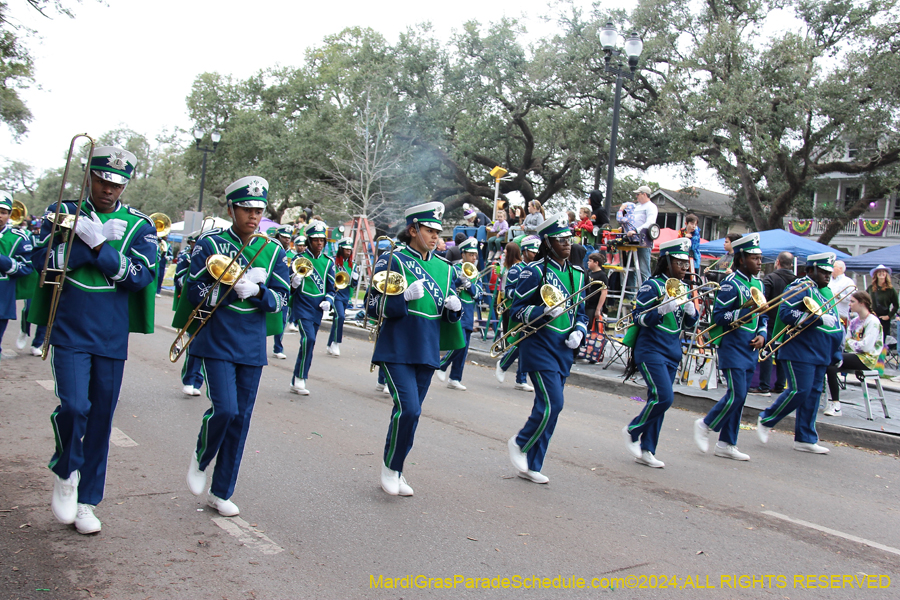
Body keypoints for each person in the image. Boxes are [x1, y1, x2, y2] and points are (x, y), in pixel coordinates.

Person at [31, 146, 157, 534]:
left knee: (101, 419)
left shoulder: (140, 225)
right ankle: (67, 469)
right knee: (73, 405)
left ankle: (88, 500)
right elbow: (42, 263)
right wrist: (81, 245)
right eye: (103, 180)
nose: (108, 190)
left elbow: (139, 278)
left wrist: (101, 247)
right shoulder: (62, 213)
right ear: (90, 176)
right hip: (69, 327)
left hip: (110, 333)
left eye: (117, 183)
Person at [183, 176, 290, 516]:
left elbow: (282, 298)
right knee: (225, 409)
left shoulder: (273, 250)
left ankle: (221, 491)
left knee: (241, 419)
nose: (253, 216)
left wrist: (259, 292)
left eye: (258, 210)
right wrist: (227, 286)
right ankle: (201, 457)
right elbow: (192, 292)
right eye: (246, 208)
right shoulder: (210, 244)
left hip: (250, 343)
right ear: (231, 208)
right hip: (215, 338)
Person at [368, 201, 463, 496]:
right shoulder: (393, 259)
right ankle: (389, 467)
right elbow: (372, 306)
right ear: (412, 230)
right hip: (397, 347)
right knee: (407, 409)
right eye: (429, 230)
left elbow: (446, 313)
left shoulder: (445, 268)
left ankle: (397, 468)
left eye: (438, 231)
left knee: (415, 412)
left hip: (427, 349)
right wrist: (402, 299)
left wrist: (455, 309)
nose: (436, 236)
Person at [506, 214, 588, 484]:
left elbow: (582, 314)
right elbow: (515, 311)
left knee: (550, 407)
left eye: (569, 239)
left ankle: (533, 464)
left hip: (564, 348)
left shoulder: (577, 273)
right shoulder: (535, 270)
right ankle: (520, 442)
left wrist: (580, 330)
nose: (566, 243)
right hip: (539, 346)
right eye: (560, 239)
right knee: (554, 403)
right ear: (547, 242)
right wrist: (542, 311)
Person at [622, 238, 699, 468]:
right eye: (679, 263)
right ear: (666, 262)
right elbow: (638, 318)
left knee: (660, 402)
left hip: (672, 351)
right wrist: (660, 310)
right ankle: (633, 429)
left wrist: (691, 313)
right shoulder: (652, 285)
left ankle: (648, 449)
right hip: (651, 349)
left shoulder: (683, 287)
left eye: (686, 264)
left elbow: (683, 325)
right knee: (664, 397)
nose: (684, 268)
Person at [757, 252, 843, 454]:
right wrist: (818, 319)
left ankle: (805, 438)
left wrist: (837, 353)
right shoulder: (799, 286)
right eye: (822, 272)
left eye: (829, 273)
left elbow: (837, 326)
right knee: (800, 390)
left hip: (820, 352)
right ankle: (767, 418)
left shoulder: (826, 292)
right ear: (810, 270)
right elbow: (787, 313)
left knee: (813, 394)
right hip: (799, 350)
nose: (827, 276)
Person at [694, 233, 767, 461]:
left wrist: (763, 334)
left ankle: (727, 443)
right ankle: (705, 424)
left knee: (741, 397)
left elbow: (763, 316)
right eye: (755, 258)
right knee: (737, 394)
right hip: (733, 345)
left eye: (760, 257)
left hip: (750, 347)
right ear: (742, 258)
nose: (759, 262)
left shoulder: (758, 283)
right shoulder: (730, 283)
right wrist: (745, 312)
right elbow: (719, 316)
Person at [289, 221, 335, 396]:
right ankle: (300, 378)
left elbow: (332, 288)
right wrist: (293, 282)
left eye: (322, 240)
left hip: (317, 309)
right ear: (309, 241)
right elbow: (286, 285)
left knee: (311, 342)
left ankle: (297, 378)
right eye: (315, 240)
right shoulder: (298, 259)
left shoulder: (328, 262)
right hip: (301, 306)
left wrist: (328, 301)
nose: (319, 243)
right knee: (308, 339)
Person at [824, 291, 883, 417]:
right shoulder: (855, 321)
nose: (849, 304)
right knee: (830, 365)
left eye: (852, 301)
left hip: (867, 358)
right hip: (855, 355)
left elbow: (866, 346)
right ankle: (835, 403)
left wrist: (853, 344)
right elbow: (846, 342)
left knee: (832, 359)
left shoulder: (873, 321)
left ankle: (836, 405)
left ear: (862, 303)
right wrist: (855, 344)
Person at [435, 237, 483, 389]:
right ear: (463, 255)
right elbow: (447, 289)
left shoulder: (476, 273)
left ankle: (455, 378)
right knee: (459, 344)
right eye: (470, 255)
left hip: (469, 313)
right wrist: (458, 282)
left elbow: (479, 295)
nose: (474, 258)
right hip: (457, 312)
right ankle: (442, 364)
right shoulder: (454, 270)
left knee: (465, 348)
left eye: (475, 255)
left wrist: (470, 286)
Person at [496, 236, 540, 391]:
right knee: (520, 342)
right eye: (532, 251)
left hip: (533, 310)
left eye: (537, 251)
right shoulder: (516, 269)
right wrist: (525, 293)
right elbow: (508, 292)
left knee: (526, 344)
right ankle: (503, 364)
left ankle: (520, 380)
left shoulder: (538, 268)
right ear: (525, 251)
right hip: (518, 309)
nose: (535, 254)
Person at [751, 251, 795, 396]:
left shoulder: (770, 278)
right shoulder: (796, 281)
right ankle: (780, 385)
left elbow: (763, 301)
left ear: (777, 262)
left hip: (771, 320)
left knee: (766, 352)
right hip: (788, 323)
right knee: (783, 353)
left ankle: (764, 386)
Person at [0, 192, 34, 357]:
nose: (0, 215)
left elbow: (26, 268)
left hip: (2, 298)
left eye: (3, 212)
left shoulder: (19, 238)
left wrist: (3, 261)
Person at [174, 233, 205, 396]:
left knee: (206, 346)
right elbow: (179, 279)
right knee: (194, 343)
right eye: (194, 243)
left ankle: (197, 380)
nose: (195, 245)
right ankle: (189, 379)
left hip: (210, 304)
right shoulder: (186, 256)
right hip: (191, 302)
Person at [326, 237, 357, 357]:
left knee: (337, 319)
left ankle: (329, 344)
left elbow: (353, 285)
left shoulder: (352, 265)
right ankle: (336, 342)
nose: (348, 252)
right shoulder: (334, 262)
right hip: (336, 293)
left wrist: (355, 278)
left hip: (345, 295)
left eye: (350, 250)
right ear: (341, 249)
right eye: (346, 250)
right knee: (341, 317)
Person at [272, 225, 295, 359]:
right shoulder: (272, 250)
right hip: (270, 288)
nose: (286, 240)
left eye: (288, 237)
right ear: (278, 237)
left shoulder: (292, 256)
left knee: (281, 320)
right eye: (283, 237)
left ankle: (278, 347)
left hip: (284, 290)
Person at [631, 185, 658, 286]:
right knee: (631, 268)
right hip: (633, 240)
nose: (636, 196)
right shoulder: (637, 207)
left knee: (643, 268)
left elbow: (650, 223)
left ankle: (647, 291)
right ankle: (630, 295)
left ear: (644, 194)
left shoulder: (651, 207)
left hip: (644, 240)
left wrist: (635, 230)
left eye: (638, 194)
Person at [866, 264, 897, 344]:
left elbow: (896, 305)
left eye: (883, 271)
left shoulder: (890, 289)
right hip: (872, 317)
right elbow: (865, 300)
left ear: (886, 274)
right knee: (871, 340)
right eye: (879, 272)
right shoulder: (870, 288)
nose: (881, 273)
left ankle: (882, 357)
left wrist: (889, 316)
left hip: (884, 319)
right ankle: (871, 356)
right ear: (876, 274)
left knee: (882, 342)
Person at [584, 253, 609, 329]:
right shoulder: (589, 273)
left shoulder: (602, 275)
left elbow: (604, 293)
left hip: (593, 307)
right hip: (587, 304)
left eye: (590, 261)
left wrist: (598, 309)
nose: (588, 262)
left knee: (592, 328)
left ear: (596, 263)